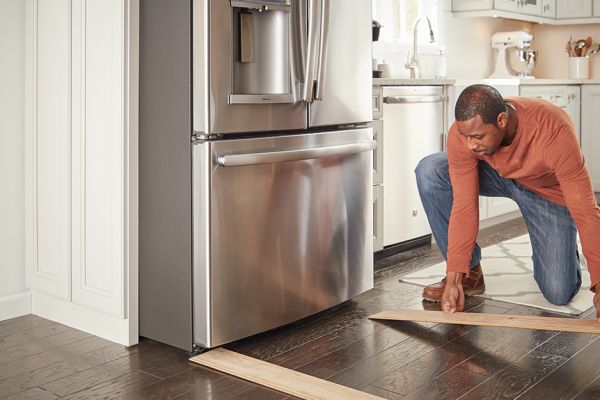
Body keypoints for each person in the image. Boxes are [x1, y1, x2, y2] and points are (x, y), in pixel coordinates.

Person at [414, 84, 600, 321]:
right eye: (466, 136)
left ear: (502, 120)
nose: (471, 144)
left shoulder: (554, 131)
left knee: (558, 292)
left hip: (546, 192)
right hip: (499, 175)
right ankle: (470, 273)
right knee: (431, 171)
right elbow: (464, 205)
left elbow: (585, 210)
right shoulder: (463, 134)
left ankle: (565, 244)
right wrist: (454, 275)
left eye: (478, 137)